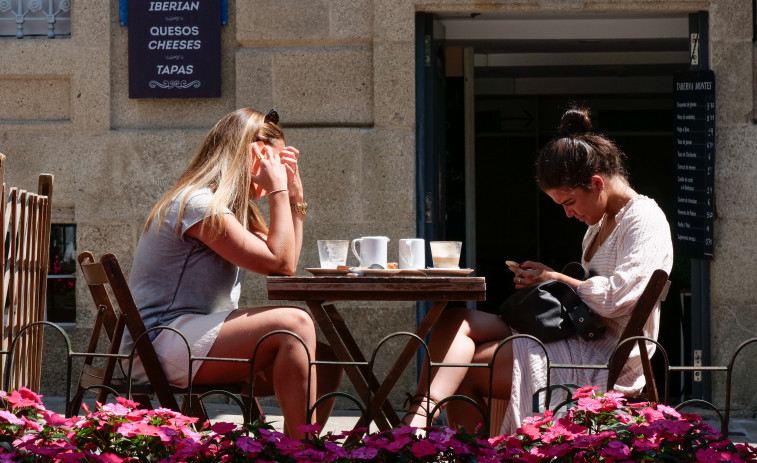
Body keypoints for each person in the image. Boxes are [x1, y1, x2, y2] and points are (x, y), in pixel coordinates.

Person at [402, 107, 673, 435]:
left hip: (604, 357)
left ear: (597, 183)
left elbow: (620, 298)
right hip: (576, 335)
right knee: (456, 319)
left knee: (468, 369)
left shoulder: (644, 219)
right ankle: (419, 417)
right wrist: (551, 280)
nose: (568, 213)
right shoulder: (598, 226)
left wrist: (555, 278)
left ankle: (457, 448)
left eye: (569, 201)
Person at [120, 108, 340, 439]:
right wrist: (279, 191)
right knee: (295, 323)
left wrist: (296, 199)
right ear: (249, 155)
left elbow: (286, 261)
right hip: (159, 344)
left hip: (185, 338)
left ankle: (298, 446)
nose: (278, 170)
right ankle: (302, 452)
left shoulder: (228, 209)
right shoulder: (198, 205)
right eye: (274, 161)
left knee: (324, 358)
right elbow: (279, 262)